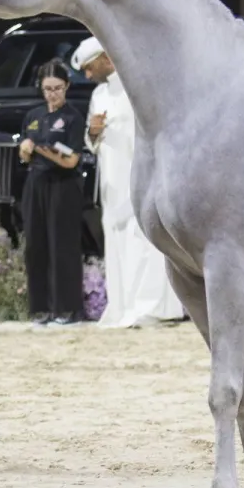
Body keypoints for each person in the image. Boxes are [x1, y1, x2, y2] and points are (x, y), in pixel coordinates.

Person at [71, 37, 185, 328]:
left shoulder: (139, 88)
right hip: (111, 182)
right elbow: (91, 139)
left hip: (141, 179)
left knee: (144, 241)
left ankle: (151, 309)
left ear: (106, 59)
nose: (86, 75)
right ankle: (123, 306)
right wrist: (93, 134)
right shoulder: (98, 95)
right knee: (118, 242)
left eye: (89, 67)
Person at [18, 60, 86, 325]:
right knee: (36, 246)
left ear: (67, 86)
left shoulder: (73, 118)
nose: (52, 94)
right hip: (35, 183)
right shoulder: (33, 117)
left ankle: (67, 309)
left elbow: (71, 160)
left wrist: (42, 148)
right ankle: (41, 309)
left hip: (63, 185)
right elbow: (26, 154)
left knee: (63, 246)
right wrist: (26, 151)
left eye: (57, 88)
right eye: (47, 89)